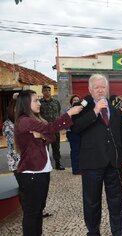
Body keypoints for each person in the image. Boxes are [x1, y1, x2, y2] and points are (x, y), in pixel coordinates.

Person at [14, 90, 82, 236]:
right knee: (32, 213)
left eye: (39, 100)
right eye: (35, 100)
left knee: (38, 211)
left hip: (41, 171)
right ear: (25, 103)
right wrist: (69, 113)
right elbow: (51, 128)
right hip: (32, 173)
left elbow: (51, 136)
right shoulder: (25, 121)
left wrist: (42, 135)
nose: (39, 103)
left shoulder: (35, 119)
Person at [71, 74, 122, 235]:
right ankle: (93, 232)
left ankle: (118, 232)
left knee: (116, 201)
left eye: (103, 87)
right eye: (96, 87)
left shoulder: (114, 107)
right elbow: (76, 128)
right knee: (92, 202)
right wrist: (95, 111)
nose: (100, 90)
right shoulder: (82, 107)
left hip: (113, 162)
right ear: (90, 89)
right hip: (91, 164)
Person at [40, 85, 64, 170]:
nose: (47, 92)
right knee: (45, 148)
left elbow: (58, 113)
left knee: (56, 147)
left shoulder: (56, 102)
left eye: (49, 90)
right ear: (42, 92)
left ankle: (58, 164)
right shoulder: (39, 103)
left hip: (55, 128)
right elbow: (37, 115)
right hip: (44, 130)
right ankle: (45, 165)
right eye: (45, 90)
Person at [66, 94, 82, 175]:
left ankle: (81, 167)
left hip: (80, 133)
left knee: (81, 151)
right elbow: (66, 123)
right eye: (74, 100)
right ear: (71, 102)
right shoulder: (69, 111)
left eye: (77, 100)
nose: (76, 101)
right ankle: (75, 169)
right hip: (72, 133)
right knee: (75, 151)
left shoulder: (82, 111)